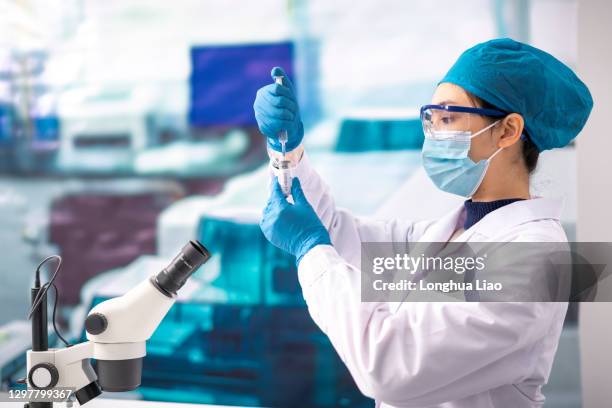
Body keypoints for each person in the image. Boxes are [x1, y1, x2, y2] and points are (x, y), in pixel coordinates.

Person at [253, 38, 592, 408]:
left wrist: (310, 249)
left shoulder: (533, 258)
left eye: (448, 118)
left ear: (508, 131)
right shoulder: (443, 234)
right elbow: (333, 231)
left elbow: (388, 369)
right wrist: (287, 150)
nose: (433, 134)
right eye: (430, 119)